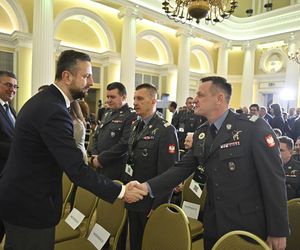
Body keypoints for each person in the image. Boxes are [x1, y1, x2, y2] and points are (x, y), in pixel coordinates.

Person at [0, 50, 146, 250]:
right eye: (86, 76)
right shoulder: (53, 110)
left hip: (20, 199)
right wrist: (121, 191)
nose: (91, 82)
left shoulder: (46, 101)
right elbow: (76, 169)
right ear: (67, 76)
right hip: (30, 205)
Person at [131, 76, 289, 250]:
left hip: (246, 224)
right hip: (213, 220)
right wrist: (147, 187)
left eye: (200, 94)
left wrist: (278, 229)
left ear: (219, 98)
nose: (195, 100)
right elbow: (181, 168)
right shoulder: (202, 133)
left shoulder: (253, 128)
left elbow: (274, 180)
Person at [125, 83, 179, 250]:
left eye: (140, 99)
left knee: (150, 243)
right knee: (135, 240)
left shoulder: (166, 130)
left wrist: (159, 205)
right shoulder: (136, 125)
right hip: (133, 194)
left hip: (150, 201)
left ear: (153, 101)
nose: (135, 103)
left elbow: (169, 172)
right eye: (134, 98)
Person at [91, 82, 137, 181]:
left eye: (112, 97)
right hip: (98, 164)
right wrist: (95, 155)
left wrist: (101, 159)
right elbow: (96, 136)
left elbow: (124, 143)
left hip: (114, 167)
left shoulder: (130, 115)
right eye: (107, 97)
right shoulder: (107, 113)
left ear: (123, 97)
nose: (108, 100)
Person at [0, 70, 18, 243]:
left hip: (9, 175)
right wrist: (19, 148)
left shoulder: (10, 108)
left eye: (14, 86)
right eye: (8, 85)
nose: (12, 89)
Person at [279, 136, 300, 200]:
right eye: (275, 150)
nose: (277, 153)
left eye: (281, 150)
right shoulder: (267, 167)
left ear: (290, 152)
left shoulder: (298, 168)